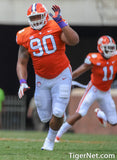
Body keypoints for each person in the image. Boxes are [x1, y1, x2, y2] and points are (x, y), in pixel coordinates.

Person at [16, 3, 79, 151]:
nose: (36, 19)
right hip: (42, 78)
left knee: (57, 112)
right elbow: (21, 62)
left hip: (61, 74)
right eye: (33, 17)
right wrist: (22, 81)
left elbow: (74, 41)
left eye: (38, 16)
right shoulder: (24, 35)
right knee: (45, 117)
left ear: (45, 15)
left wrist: (61, 22)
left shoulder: (56, 26)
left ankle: (49, 140)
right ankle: (58, 114)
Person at [55, 35, 117, 142]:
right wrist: (65, 79)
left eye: (112, 48)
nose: (111, 50)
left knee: (113, 122)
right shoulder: (94, 58)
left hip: (106, 91)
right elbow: (79, 71)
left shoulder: (115, 57)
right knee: (80, 113)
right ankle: (57, 135)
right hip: (93, 89)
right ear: (101, 48)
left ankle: (100, 114)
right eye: (108, 48)